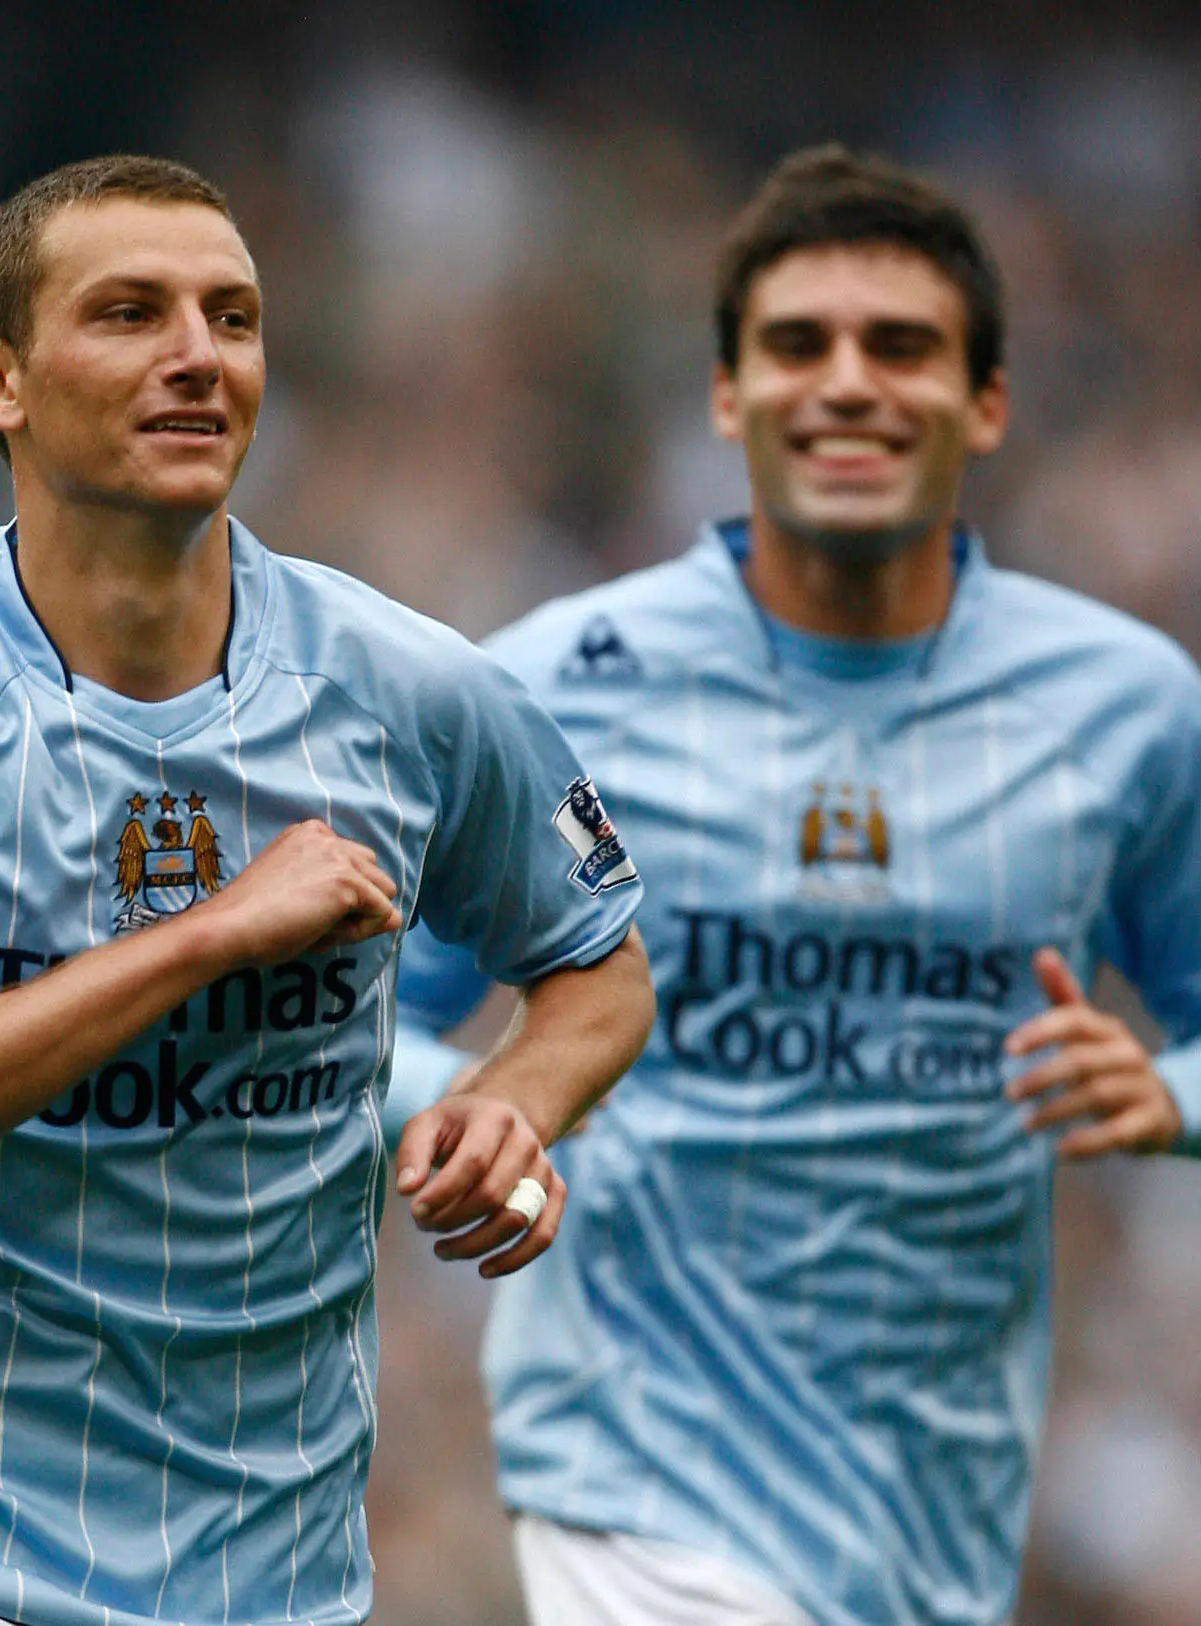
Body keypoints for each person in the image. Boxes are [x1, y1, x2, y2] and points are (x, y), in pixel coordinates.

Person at [0, 154, 655, 1626]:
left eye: (233, 317)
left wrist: (513, 1101)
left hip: (276, 1583)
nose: (199, 355)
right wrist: (208, 936)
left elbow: (598, 966)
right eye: (130, 313)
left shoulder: (403, 686)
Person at [391, 145, 1201, 1626]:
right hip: (634, 1474)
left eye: (900, 346)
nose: (845, 383)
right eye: (796, 344)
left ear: (987, 401)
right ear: (726, 394)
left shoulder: (1127, 707)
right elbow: (365, 1015)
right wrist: (483, 1107)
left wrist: (1169, 1095)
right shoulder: (559, 683)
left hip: (936, 1516)